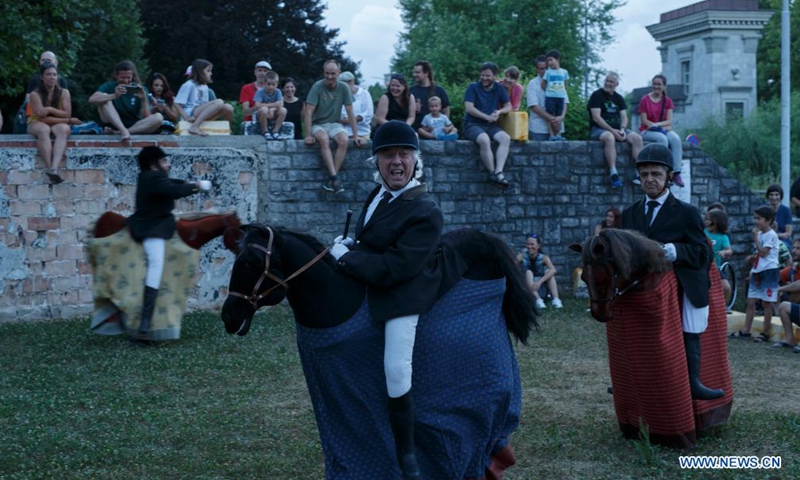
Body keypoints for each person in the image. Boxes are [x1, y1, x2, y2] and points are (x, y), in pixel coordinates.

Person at [330, 121, 463, 479]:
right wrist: (352, 245)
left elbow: (396, 267)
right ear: (377, 161)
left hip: (406, 290)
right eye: (388, 154)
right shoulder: (376, 194)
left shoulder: (425, 209)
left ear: (415, 159)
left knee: (396, 367)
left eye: (403, 153)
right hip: (376, 274)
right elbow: (374, 241)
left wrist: (346, 257)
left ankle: (407, 455)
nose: (396, 161)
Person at [622, 143, 723, 400]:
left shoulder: (687, 212)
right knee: (637, 329)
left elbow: (704, 253)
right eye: (644, 175)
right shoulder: (630, 214)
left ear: (669, 175)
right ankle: (633, 380)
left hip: (681, 282)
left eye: (656, 174)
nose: (650, 180)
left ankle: (693, 382)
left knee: (689, 326)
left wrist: (675, 251)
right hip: (645, 284)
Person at [125, 146, 211, 340]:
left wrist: (189, 183)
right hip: (151, 228)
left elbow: (173, 182)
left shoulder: (149, 177)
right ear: (153, 165)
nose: (168, 164)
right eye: (164, 161)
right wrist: (196, 185)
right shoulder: (152, 178)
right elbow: (173, 190)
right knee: (155, 265)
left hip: (157, 224)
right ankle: (145, 322)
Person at [303, 59, 361, 194]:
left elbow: (350, 112)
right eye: (327, 73)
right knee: (323, 139)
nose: (329, 77)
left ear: (338, 73)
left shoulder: (344, 87)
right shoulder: (317, 86)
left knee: (344, 140)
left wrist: (356, 135)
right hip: (318, 123)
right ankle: (335, 178)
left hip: (335, 123)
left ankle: (332, 179)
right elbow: (308, 111)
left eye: (332, 73)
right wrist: (308, 135)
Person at [731, 206, 780, 344]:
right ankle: (746, 330)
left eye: (759, 218)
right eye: (755, 218)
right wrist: (753, 259)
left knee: (767, 303)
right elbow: (760, 254)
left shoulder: (771, 234)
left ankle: (765, 332)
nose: (756, 221)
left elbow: (764, 252)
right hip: (758, 270)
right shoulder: (760, 234)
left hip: (769, 271)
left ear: (768, 220)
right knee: (751, 301)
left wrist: (755, 239)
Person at [27, 63, 82, 184]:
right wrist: (68, 120)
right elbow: (43, 119)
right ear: (42, 77)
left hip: (57, 121)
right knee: (43, 130)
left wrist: (50, 110)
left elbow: (67, 113)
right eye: (48, 74)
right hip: (36, 122)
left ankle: (54, 168)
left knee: (64, 130)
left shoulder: (64, 92)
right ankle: (50, 168)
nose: (52, 77)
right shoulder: (35, 94)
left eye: (54, 74)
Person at [588, 72, 644, 189]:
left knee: (637, 138)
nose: (608, 83)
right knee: (609, 137)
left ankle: (639, 173)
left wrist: (622, 129)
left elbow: (624, 116)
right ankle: (613, 174)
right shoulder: (596, 95)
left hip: (618, 129)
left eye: (611, 82)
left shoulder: (619, 98)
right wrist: (613, 131)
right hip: (599, 129)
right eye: (606, 81)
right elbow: (596, 117)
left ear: (616, 84)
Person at [463, 62, 512, 187]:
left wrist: (499, 112)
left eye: (488, 76)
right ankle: (492, 173)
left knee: (505, 138)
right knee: (484, 139)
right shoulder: (473, 87)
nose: (484, 78)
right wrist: (487, 117)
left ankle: (499, 172)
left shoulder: (499, 88)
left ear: (495, 76)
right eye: (482, 75)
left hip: (490, 125)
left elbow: (508, 106)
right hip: (472, 124)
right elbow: (469, 108)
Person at [89, 61, 163, 140]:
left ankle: (120, 132)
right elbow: (92, 99)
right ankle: (123, 130)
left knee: (158, 117)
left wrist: (144, 100)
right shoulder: (109, 86)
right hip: (111, 122)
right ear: (116, 76)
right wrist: (114, 95)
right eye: (122, 78)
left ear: (132, 76)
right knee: (104, 97)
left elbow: (146, 117)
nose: (126, 81)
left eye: (128, 77)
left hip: (134, 125)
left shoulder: (140, 89)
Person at [638, 74, 685, 187]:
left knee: (675, 139)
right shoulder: (645, 99)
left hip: (661, 128)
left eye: (659, 84)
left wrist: (658, 125)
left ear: (664, 86)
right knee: (662, 139)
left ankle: (676, 172)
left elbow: (669, 121)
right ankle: (662, 169)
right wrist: (654, 126)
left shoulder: (667, 101)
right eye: (654, 84)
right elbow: (644, 121)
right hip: (647, 130)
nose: (656, 86)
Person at [175, 59, 234, 136]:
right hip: (191, 113)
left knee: (228, 107)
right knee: (219, 102)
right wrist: (186, 117)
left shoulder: (205, 86)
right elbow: (176, 103)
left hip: (200, 113)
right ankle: (194, 127)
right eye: (208, 71)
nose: (211, 73)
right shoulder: (189, 85)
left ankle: (227, 131)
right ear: (200, 72)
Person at [526, 55, 568, 141]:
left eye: (546, 68)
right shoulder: (532, 84)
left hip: (557, 128)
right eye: (541, 68)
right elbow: (534, 106)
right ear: (536, 69)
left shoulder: (558, 80)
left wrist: (561, 117)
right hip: (539, 129)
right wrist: (553, 119)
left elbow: (565, 102)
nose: (545, 71)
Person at [517, 234, 562, 309]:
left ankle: (556, 299)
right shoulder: (521, 256)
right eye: (528, 244)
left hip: (540, 287)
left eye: (532, 244)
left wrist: (539, 282)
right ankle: (538, 300)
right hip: (527, 288)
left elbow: (553, 270)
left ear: (538, 246)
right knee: (528, 272)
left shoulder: (544, 257)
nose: (529, 247)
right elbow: (511, 266)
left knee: (549, 271)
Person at [409, 61, 450, 133]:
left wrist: (444, 126)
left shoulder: (439, 90)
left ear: (426, 73)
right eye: (414, 72)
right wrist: (411, 108)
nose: (414, 75)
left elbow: (446, 110)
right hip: (416, 132)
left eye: (417, 72)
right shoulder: (411, 91)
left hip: (437, 133)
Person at [704, 208, 733, 305]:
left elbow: (729, 250)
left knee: (726, 288)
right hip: (703, 267)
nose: (705, 221)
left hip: (716, 268)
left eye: (708, 219)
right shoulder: (703, 232)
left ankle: (722, 307)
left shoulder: (723, 237)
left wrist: (724, 252)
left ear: (715, 222)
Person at [541, 50, 569, 140]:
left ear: (557, 59)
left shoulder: (564, 72)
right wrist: (549, 91)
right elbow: (543, 83)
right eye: (548, 61)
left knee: (559, 116)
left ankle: (558, 134)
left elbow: (565, 84)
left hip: (560, 96)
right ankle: (551, 134)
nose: (549, 63)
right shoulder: (548, 72)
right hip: (550, 97)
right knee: (550, 115)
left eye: (551, 60)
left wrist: (561, 91)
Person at [339, 71, 373, 141]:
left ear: (352, 81)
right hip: (341, 133)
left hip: (362, 132)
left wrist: (351, 120)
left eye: (348, 82)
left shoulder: (364, 94)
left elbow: (368, 114)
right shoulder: (338, 95)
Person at [253, 71, 288, 140]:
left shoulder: (278, 91)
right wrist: (273, 105)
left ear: (277, 84)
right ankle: (265, 131)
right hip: (261, 114)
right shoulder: (260, 91)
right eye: (268, 84)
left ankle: (275, 132)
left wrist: (272, 109)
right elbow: (257, 105)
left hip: (273, 112)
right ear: (264, 83)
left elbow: (281, 104)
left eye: (273, 84)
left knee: (283, 110)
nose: (271, 87)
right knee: (264, 109)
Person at [765, 184, 793, 249]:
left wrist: (775, 236)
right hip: (766, 239)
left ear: (780, 196)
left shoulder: (786, 210)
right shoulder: (763, 209)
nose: (774, 197)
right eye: (771, 195)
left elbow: (788, 233)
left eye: (776, 195)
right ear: (768, 196)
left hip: (782, 240)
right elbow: (758, 229)